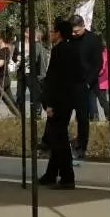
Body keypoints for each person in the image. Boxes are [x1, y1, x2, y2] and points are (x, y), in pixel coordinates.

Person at [39, 19, 79, 189]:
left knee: (60, 140)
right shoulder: (72, 49)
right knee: (56, 138)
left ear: (59, 33)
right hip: (67, 100)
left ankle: (67, 177)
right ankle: (51, 174)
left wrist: (50, 104)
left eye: (53, 31)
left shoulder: (59, 50)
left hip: (58, 101)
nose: (50, 34)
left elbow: (55, 80)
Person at [69, 14, 105, 156]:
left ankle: (82, 145)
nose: (74, 34)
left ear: (83, 26)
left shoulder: (94, 40)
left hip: (86, 83)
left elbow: (97, 65)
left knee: (83, 116)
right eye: (72, 31)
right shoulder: (69, 39)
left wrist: (88, 83)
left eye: (76, 31)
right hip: (71, 82)